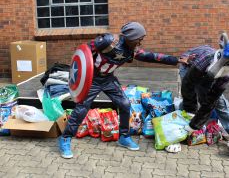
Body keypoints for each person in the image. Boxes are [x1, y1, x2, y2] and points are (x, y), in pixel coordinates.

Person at [58, 22, 190, 158]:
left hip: (108, 79)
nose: (140, 43)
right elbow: (84, 52)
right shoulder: (109, 41)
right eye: (139, 39)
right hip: (92, 79)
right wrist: (80, 75)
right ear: (131, 37)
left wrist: (176, 60)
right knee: (82, 109)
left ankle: (124, 136)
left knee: (125, 104)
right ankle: (65, 138)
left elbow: (152, 56)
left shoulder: (131, 50)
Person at [166, 33, 229, 153]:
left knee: (220, 103)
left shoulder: (228, 75)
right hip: (189, 67)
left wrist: (196, 124)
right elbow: (188, 85)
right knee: (190, 99)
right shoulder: (206, 58)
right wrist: (191, 110)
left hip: (214, 76)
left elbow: (211, 101)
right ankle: (177, 134)